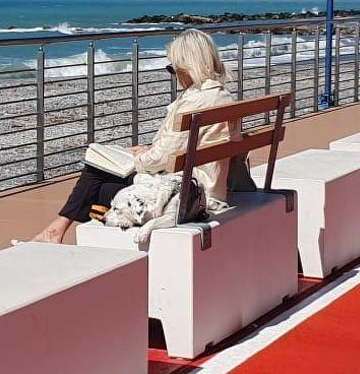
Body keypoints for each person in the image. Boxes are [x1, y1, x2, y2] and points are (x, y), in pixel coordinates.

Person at [29, 29, 255, 244]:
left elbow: (161, 159)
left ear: (188, 66)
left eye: (173, 68)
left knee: (95, 177)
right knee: (97, 179)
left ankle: (55, 231)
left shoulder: (194, 101)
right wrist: (147, 150)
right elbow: (182, 146)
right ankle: (55, 230)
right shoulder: (222, 95)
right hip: (209, 186)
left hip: (186, 192)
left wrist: (138, 159)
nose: (174, 75)